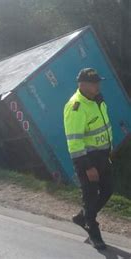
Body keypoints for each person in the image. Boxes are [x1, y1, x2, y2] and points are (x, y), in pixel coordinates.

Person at [63, 68, 113, 250]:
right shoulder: (75, 106)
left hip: (103, 156)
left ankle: (82, 217)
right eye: (94, 83)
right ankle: (93, 231)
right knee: (90, 196)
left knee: (108, 190)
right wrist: (87, 167)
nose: (98, 85)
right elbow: (74, 143)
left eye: (98, 82)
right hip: (88, 159)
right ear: (82, 85)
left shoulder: (97, 99)